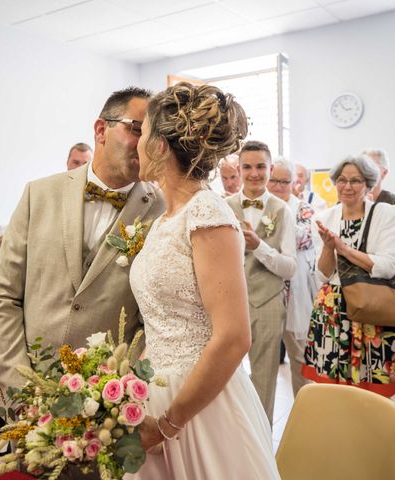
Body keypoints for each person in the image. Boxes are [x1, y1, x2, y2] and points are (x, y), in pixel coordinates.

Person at [126, 82, 280, 479]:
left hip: (199, 405)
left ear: (160, 145)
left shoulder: (207, 212)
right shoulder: (164, 220)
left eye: (141, 134)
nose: (136, 145)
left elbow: (233, 337)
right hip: (154, 392)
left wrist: (167, 424)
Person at [0, 87, 165, 410]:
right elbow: (2, 295)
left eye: (153, 135)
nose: (145, 144)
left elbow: (158, 318)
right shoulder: (38, 195)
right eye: (136, 129)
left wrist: (123, 388)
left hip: (109, 403)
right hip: (28, 397)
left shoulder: (162, 210)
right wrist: (21, 385)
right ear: (100, 130)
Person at [303, 155, 395, 397]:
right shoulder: (325, 218)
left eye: (355, 180)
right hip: (334, 309)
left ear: (368, 184)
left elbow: (387, 266)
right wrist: (328, 246)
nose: (347, 186)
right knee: (334, 391)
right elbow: (323, 274)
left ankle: (373, 433)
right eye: (342, 180)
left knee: (376, 391)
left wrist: (343, 249)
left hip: (375, 307)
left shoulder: (387, 212)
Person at [226, 141, 297, 423]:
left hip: (267, 303)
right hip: (228, 303)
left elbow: (290, 267)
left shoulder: (283, 211)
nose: (254, 173)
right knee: (226, 380)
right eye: (247, 167)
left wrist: (259, 246)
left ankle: (261, 447)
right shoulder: (224, 206)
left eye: (260, 167)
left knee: (264, 380)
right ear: (238, 169)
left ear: (270, 169)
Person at [267, 158, 316, 398]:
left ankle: (305, 414)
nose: (277, 186)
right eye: (273, 180)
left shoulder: (302, 208)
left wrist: (279, 216)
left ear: (293, 183)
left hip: (294, 292)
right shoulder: (259, 206)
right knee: (263, 361)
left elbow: (303, 238)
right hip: (264, 291)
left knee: (300, 357)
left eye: (283, 181)